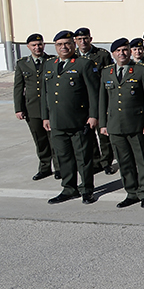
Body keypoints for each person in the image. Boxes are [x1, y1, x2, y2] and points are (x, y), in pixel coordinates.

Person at [43, 30, 101, 204]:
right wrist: (45, 117)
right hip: (57, 122)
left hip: (79, 121)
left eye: (67, 43)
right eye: (60, 44)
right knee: (64, 157)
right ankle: (69, 189)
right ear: (55, 46)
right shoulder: (49, 65)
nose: (64, 47)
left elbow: (94, 93)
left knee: (83, 158)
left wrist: (93, 116)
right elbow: (45, 94)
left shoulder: (84, 64)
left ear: (74, 44)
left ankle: (87, 190)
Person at [98, 38, 144, 208]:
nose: (122, 53)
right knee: (124, 162)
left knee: (142, 161)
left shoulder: (140, 71)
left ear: (130, 52)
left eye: (125, 50)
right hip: (115, 125)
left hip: (136, 124)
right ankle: (131, 192)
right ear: (113, 54)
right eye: (118, 51)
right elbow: (102, 100)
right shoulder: (106, 72)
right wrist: (103, 124)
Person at [14, 34, 56, 181]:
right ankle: (45, 168)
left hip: (51, 107)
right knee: (40, 140)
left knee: (54, 139)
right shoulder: (22, 63)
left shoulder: (52, 60)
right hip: (32, 108)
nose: (37, 47)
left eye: (39, 44)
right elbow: (18, 87)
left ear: (44, 45)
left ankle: (59, 168)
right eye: (34, 45)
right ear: (28, 47)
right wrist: (18, 108)